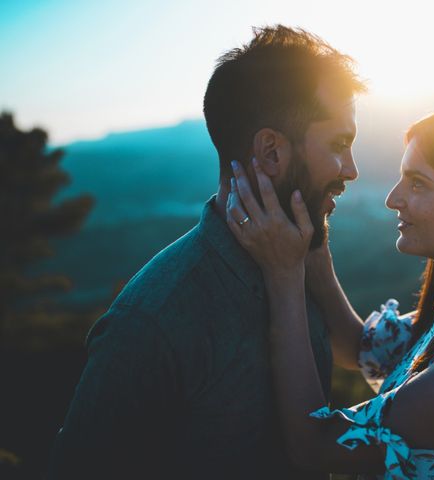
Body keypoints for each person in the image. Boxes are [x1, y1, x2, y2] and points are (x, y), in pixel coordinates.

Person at [47, 25, 366, 480]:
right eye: (339, 144)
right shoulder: (153, 320)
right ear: (271, 152)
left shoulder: (299, 265)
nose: (351, 170)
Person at [226, 105, 434, 479]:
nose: (393, 198)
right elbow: (358, 345)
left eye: (418, 183)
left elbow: (317, 447)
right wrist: (311, 244)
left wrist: (283, 276)